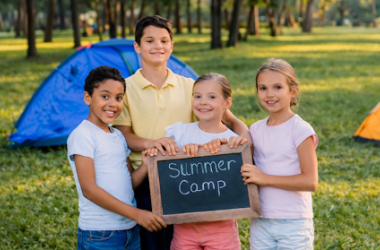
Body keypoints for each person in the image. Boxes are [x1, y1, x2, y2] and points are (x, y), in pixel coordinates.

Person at [112, 15, 251, 250]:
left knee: (183, 240)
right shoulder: (126, 89)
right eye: (150, 41)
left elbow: (230, 120)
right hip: (148, 177)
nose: (158, 46)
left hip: (191, 177)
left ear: (172, 46)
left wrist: (244, 141)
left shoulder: (190, 87)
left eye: (164, 40)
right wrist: (155, 143)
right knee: (154, 241)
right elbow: (123, 134)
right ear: (137, 47)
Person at [67, 66, 166, 250]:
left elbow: (129, 183)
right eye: (105, 96)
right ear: (87, 97)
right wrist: (138, 214)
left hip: (130, 231)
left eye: (119, 98)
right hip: (101, 234)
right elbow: (89, 190)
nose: (113, 103)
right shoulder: (83, 135)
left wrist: (146, 165)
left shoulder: (118, 136)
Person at [151, 73, 246, 250]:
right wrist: (177, 153)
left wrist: (228, 149)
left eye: (211, 96)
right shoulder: (179, 133)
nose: (203, 101)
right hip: (183, 228)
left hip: (222, 230)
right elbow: (164, 170)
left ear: (227, 103)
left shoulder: (232, 141)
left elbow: (241, 182)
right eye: (197, 96)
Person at [240, 58, 318, 249]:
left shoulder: (300, 130)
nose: (269, 94)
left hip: (293, 223)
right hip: (261, 220)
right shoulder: (256, 129)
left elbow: (310, 181)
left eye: (277, 87)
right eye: (263, 88)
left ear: (293, 91)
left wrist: (265, 178)